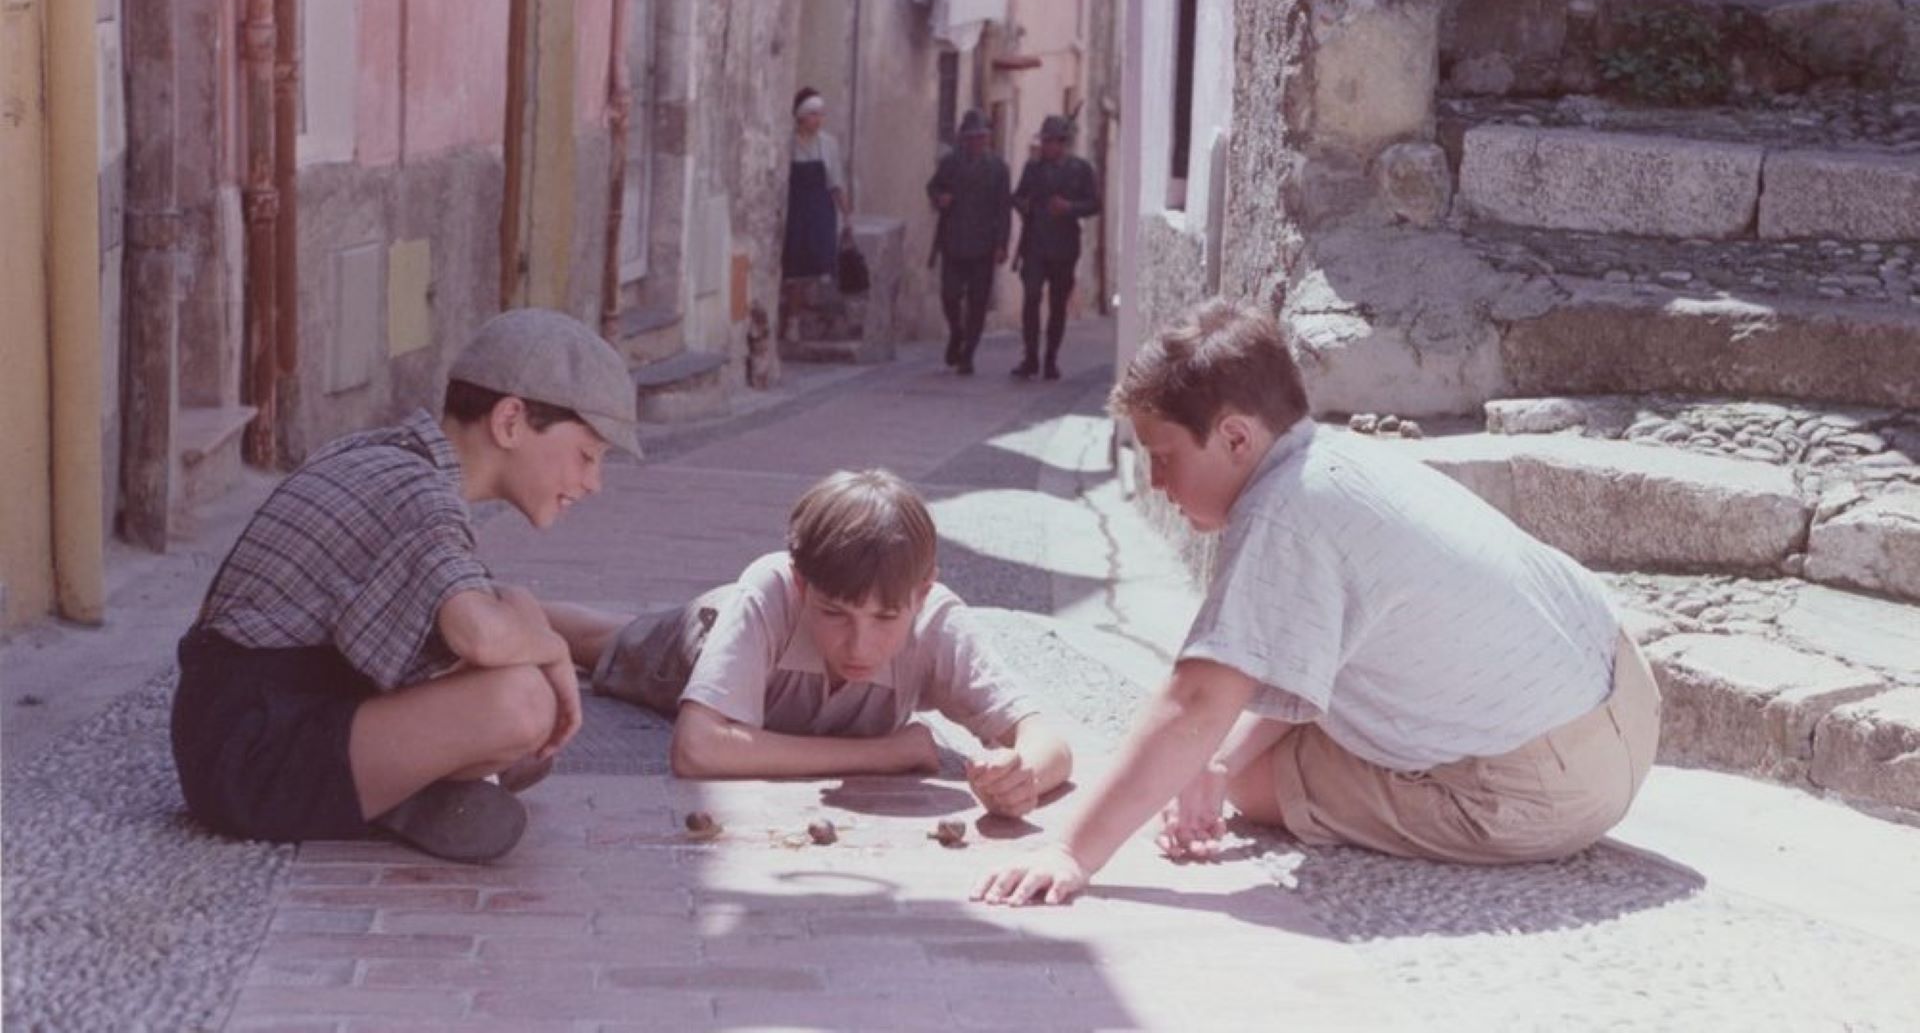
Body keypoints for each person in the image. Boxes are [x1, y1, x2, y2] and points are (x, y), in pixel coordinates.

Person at [973, 300, 1660, 905]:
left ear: (1236, 437)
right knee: (1239, 750)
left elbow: (1196, 703)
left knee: (1258, 780)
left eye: (1163, 455)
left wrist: (1070, 851)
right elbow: (1306, 651)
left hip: (1545, 790)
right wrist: (1210, 758)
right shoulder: (1336, 460)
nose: (1155, 480)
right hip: (1624, 691)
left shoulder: (1283, 514)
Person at [170, 308, 643, 864]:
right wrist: (556, 652)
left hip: (252, 722)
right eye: (587, 456)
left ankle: (402, 793)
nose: (593, 483)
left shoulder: (389, 459)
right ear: (510, 421)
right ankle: (398, 796)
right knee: (523, 705)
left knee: (524, 718)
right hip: (250, 756)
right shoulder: (415, 491)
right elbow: (479, 636)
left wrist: (526, 622)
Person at [576, 469, 1073, 818]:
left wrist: (1018, 780)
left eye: (885, 618)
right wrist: (885, 754)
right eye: (834, 613)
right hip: (698, 638)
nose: (859, 645)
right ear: (801, 585)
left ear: (920, 594)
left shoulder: (934, 617)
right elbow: (697, 749)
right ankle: (514, 606)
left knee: (606, 632)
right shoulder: (771, 589)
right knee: (602, 642)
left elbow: (1048, 743)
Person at [1010, 115, 1100, 381]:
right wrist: (1023, 206)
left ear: (1063, 143)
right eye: (1046, 141)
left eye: (1054, 142)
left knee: (1058, 305)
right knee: (1031, 297)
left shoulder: (1080, 170)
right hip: (1035, 245)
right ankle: (1030, 357)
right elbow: (1017, 196)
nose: (1049, 147)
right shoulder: (1033, 169)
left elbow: (1095, 204)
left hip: (1064, 247)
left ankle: (1050, 359)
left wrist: (1069, 208)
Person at [926, 109, 1012, 376]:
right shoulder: (950, 163)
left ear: (987, 138)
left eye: (981, 137)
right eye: (971, 137)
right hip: (953, 240)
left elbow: (1003, 209)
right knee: (950, 295)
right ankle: (957, 332)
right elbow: (933, 187)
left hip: (984, 245)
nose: (976, 141)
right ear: (964, 138)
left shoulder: (998, 169)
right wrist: (940, 199)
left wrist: (1002, 244)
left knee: (978, 301)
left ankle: (968, 354)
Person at [782, 88, 853, 332]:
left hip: (819, 211)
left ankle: (801, 318)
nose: (818, 119)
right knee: (794, 266)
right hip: (796, 209)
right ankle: (792, 319)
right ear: (801, 116)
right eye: (814, 114)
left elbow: (836, 182)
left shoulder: (828, 144)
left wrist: (846, 216)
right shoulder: (787, 143)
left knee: (817, 263)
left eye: (821, 114)